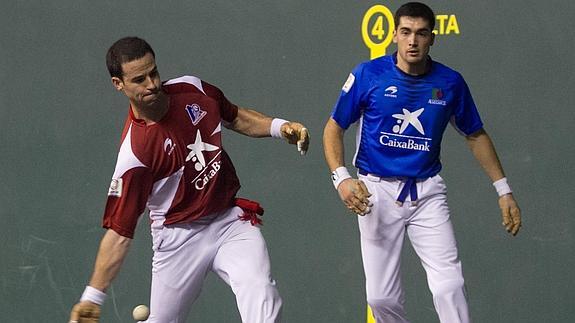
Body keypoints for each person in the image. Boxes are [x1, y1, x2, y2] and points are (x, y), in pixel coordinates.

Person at [69, 36, 309, 323]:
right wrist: (93, 297)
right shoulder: (135, 155)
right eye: (139, 79)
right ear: (118, 84)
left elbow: (235, 116)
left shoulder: (192, 90)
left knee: (261, 293)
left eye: (154, 73)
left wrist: (280, 127)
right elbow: (119, 233)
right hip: (177, 238)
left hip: (229, 223)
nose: (152, 84)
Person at [322, 2, 521, 323]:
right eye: (406, 32)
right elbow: (334, 128)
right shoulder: (368, 74)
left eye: (421, 33)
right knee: (380, 297)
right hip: (375, 194)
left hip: (427, 193)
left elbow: (475, 135)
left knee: (449, 286)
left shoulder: (450, 82)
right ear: (394, 36)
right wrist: (342, 178)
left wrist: (504, 190)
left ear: (432, 38)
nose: (413, 41)